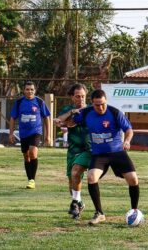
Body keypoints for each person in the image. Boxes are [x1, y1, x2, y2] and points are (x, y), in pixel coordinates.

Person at [72, 89, 140, 225]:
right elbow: (72, 121)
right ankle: (99, 213)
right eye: (97, 105)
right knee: (91, 177)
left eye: (103, 104)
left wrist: (127, 141)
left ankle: (134, 211)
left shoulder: (114, 113)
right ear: (92, 103)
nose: (100, 107)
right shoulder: (86, 113)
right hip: (99, 155)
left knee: (133, 179)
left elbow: (129, 129)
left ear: (106, 101)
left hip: (117, 152)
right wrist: (64, 119)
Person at [54, 83, 91, 219]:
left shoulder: (91, 109)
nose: (80, 99)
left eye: (83, 96)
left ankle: (77, 204)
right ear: (72, 97)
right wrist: (71, 113)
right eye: (77, 96)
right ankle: (78, 202)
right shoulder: (68, 109)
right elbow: (58, 121)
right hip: (73, 149)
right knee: (72, 179)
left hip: (88, 149)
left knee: (77, 172)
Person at [9, 81, 51, 189]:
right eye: (27, 89)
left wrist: (48, 135)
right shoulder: (19, 103)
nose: (30, 91)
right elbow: (13, 118)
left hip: (36, 132)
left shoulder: (39, 102)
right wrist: (11, 133)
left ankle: (32, 180)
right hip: (23, 133)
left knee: (33, 152)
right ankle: (30, 179)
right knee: (26, 156)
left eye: (32, 89)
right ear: (24, 90)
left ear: (35, 90)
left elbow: (46, 118)